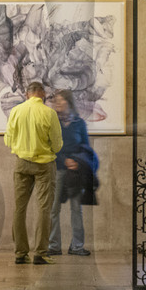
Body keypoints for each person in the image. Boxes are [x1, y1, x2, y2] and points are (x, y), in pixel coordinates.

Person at [3, 80, 62, 264]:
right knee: (44, 208)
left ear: (27, 94)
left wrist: (21, 147)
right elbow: (57, 144)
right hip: (44, 165)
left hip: (21, 163)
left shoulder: (16, 111)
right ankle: (40, 253)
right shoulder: (49, 113)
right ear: (42, 94)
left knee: (19, 208)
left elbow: (8, 140)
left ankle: (20, 253)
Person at [46, 89, 96, 256]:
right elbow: (49, 146)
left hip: (75, 172)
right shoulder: (52, 122)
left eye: (61, 100)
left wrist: (76, 161)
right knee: (54, 209)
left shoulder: (79, 123)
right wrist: (64, 160)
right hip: (57, 169)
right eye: (56, 101)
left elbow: (85, 146)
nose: (58, 103)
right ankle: (54, 246)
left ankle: (77, 246)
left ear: (69, 102)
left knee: (76, 209)